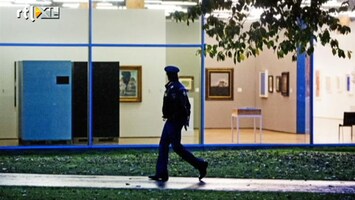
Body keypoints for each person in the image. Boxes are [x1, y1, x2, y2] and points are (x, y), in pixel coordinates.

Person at [149, 65, 208, 182]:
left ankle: (200, 164)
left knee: (177, 147)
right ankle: (161, 173)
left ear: (170, 75)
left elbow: (184, 107)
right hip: (171, 120)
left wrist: (181, 119)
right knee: (164, 145)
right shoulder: (172, 87)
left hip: (174, 121)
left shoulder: (177, 88)